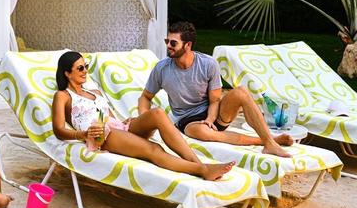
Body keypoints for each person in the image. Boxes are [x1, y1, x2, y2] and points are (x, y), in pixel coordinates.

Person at [52, 51, 235, 181]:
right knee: (154, 148)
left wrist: (123, 122)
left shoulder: (95, 92)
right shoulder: (63, 96)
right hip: (101, 136)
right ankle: (202, 170)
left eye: (86, 66)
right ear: (67, 73)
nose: (85, 71)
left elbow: (107, 115)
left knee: (157, 113)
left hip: (116, 128)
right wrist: (83, 135)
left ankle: (196, 162)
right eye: (80, 68)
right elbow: (58, 130)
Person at [139, 22, 293, 158]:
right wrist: (144, 119)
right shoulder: (162, 69)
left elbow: (215, 100)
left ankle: (269, 142)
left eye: (173, 43)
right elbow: (145, 97)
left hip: (214, 114)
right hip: (188, 121)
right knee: (203, 132)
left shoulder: (208, 64)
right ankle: (267, 141)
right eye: (167, 41)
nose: (168, 46)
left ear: (188, 45)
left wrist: (210, 119)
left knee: (241, 92)